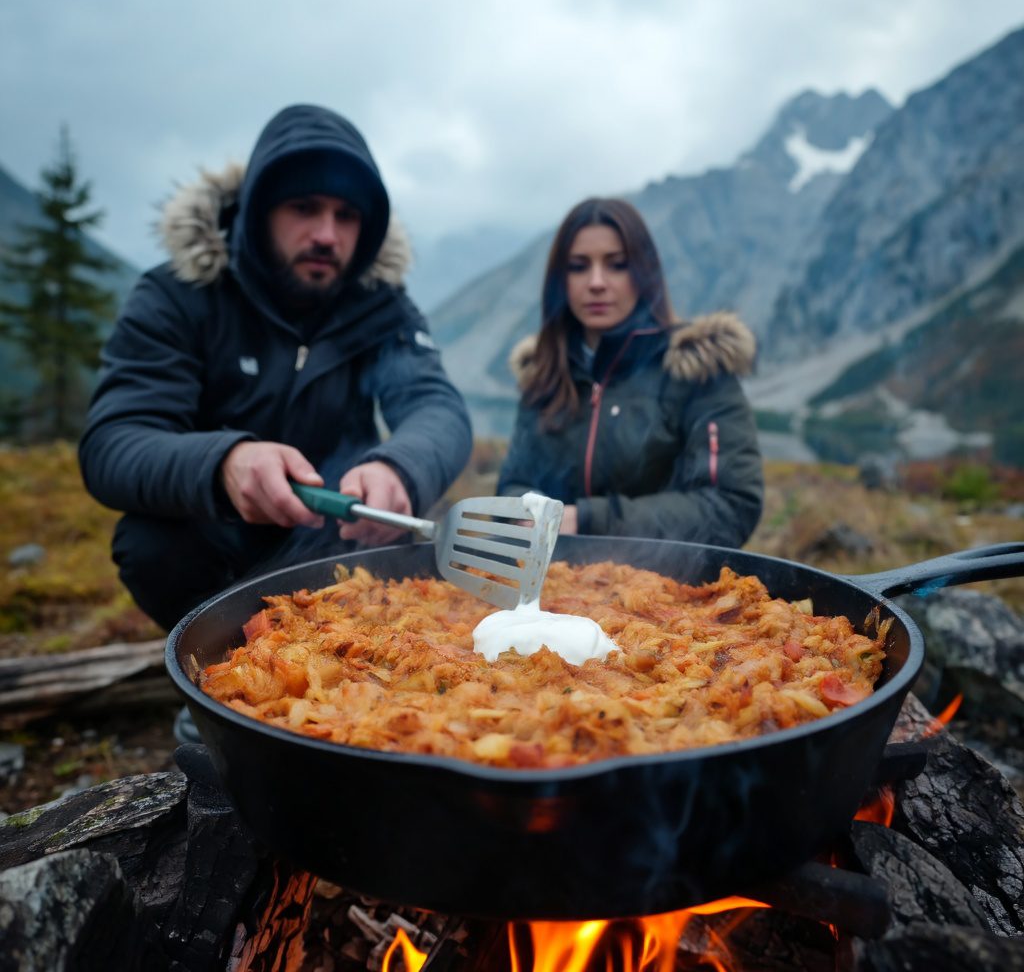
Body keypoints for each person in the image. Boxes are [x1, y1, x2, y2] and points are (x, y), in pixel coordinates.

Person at [79, 104, 473, 641]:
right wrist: (224, 462)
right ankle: (225, 663)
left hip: (341, 535)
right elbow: (114, 443)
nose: (327, 235)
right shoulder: (181, 295)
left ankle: (356, 661)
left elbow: (437, 406)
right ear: (258, 211)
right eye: (304, 207)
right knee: (149, 542)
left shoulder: (381, 306)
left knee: (406, 545)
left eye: (346, 215)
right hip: (219, 540)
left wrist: (399, 468)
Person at [497, 197, 763, 544]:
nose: (596, 282)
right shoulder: (544, 372)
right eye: (578, 266)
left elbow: (731, 506)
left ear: (643, 273)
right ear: (560, 281)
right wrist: (527, 513)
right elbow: (513, 484)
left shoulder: (697, 368)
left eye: (617, 265)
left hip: (670, 577)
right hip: (550, 575)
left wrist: (588, 521)